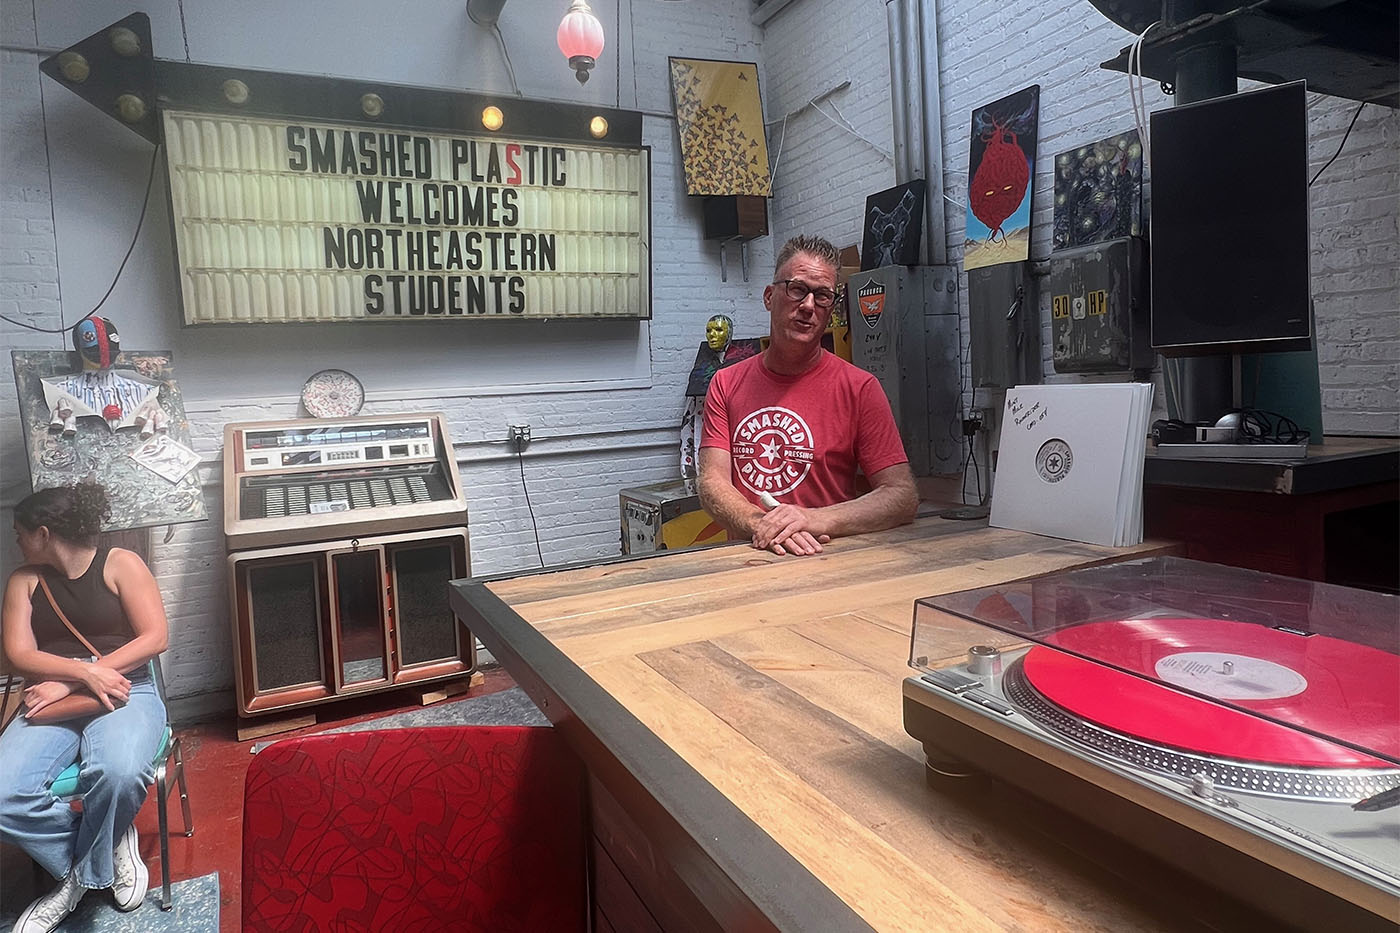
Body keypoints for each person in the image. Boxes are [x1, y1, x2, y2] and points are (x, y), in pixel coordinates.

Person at [0, 483, 169, 932]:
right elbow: (18, 654)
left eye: (20, 533)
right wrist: (75, 676)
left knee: (117, 772)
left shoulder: (120, 563)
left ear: (43, 532)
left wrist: (88, 673)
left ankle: (74, 883)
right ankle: (106, 844)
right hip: (49, 697)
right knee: (2, 795)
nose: (16, 542)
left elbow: (154, 637)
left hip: (126, 688)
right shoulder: (24, 580)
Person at [699, 235, 918, 556]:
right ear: (769, 296)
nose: (808, 306)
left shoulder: (860, 388)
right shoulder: (725, 383)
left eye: (823, 295)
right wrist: (762, 524)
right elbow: (712, 483)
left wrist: (810, 518)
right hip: (746, 564)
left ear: (832, 307)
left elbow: (902, 495)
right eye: (797, 289)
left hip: (825, 563)